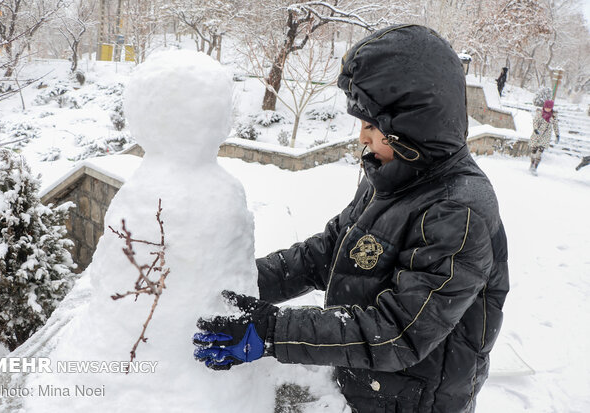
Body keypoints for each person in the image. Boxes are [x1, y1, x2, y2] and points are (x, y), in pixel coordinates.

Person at [193, 24, 509, 413]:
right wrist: (238, 279)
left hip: (415, 403)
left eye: (372, 126)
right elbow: (327, 253)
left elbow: (399, 332)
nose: (362, 137)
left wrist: (272, 331)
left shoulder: (459, 212)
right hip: (366, 388)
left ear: (412, 127)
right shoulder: (393, 174)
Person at [529, 99, 560, 174]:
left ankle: (535, 167)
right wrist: (535, 129)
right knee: (534, 150)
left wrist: (557, 134)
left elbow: (555, 125)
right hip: (537, 134)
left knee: (540, 151)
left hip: (546, 135)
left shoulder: (553, 116)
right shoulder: (539, 113)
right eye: (547, 107)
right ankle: (532, 163)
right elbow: (535, 121)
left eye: (549, 108)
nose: (548, 109)